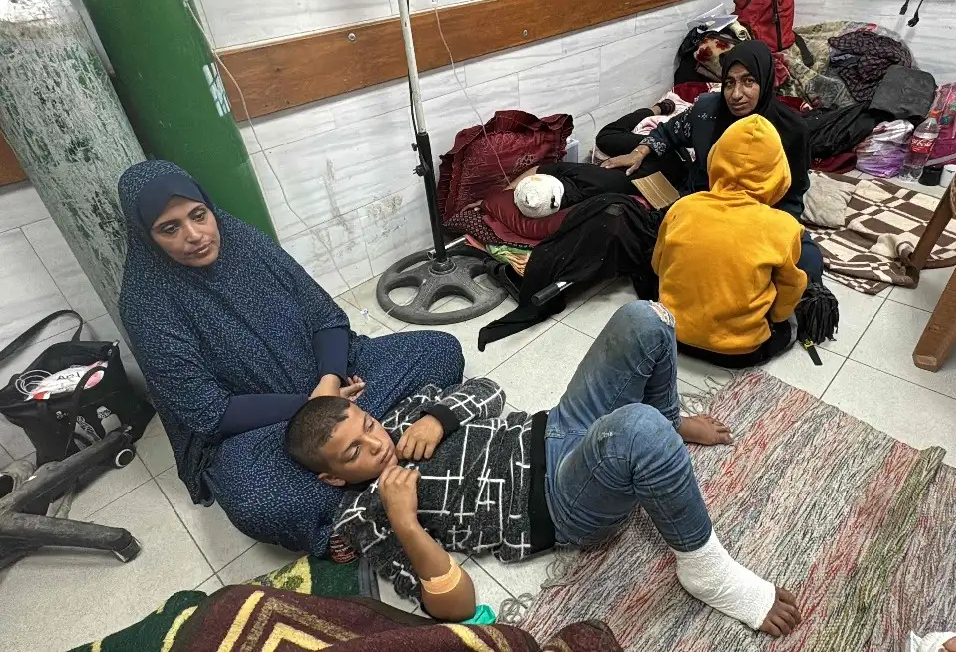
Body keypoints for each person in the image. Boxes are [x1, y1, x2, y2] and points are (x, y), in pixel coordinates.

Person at [287, 301, 802, 636]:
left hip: (555, 427)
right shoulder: (365, 515)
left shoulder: (403, 417)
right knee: (636, 430)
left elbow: (489, 392)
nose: (375, 445)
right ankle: (705, 567)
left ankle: (671, 424)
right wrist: (405, 521)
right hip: (558, 502)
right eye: (353, 453)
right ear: (331, 477)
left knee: (644, 319)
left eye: (367, 427)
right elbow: (455, 607)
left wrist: (438, 419)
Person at [117, 160, 465, 556]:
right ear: (147, 237)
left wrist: (330, 378)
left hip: (328, 380)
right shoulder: (146, 303)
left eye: (199, 215)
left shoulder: (244, 241)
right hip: (259, 425)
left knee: (439, 349)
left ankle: (350, 458)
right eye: (169, 228)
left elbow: (325, 316)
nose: (194, 235)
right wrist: (313, 404)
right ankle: (368, 463)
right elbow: (208, 413)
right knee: (258, 502)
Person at [597, 40, 824, 283]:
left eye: (749, 81)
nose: (736, 94)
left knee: (807, 262)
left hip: (759, 216)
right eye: (729, 83)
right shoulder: (708, 111)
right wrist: (640, 151)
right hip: (704, 205)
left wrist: (773, 233)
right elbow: (670, 131)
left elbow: (794, 193)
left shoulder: (791, 130)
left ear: (765, 81)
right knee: (660, 246)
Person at [653, 115, 807, 369]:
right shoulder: (784, 226)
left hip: (673, 336)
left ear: (716, 157)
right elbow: (788, 292)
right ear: (778, 172)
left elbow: (659, 265)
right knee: (791, 320)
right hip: (740, 352)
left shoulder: (683, 206)